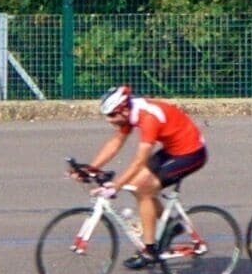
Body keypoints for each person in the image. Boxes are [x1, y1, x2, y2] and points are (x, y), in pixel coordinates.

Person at [76, 85, 208, 259]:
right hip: (174, 149)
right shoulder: (130, 110)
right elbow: (116, 142)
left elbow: (139, 161)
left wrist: (115, 186)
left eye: (112, 115)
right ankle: (170, 225)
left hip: (192, 153)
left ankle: (149, 250)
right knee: (136, 185)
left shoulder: (148, 118)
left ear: (123, 110)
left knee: (143, 188)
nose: (109, 120)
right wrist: (90, 168)